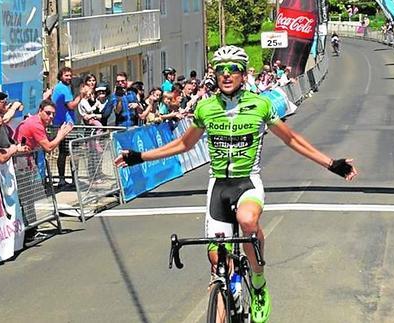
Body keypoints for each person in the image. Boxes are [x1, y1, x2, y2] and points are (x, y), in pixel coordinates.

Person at [115, 45, 358, 323]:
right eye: (221, 70)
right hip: (218, 187)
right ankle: (224, 296)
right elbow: (184, 144)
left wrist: (331, 164)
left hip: (247, 183)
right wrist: (139, 157)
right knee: (218, 265)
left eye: (233, 70)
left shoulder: (260, 105)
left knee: (247, 220)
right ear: (215, 76)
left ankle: (258, 281)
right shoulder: (205, 108)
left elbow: (290, 139)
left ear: (243, 75)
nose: (227, 75)